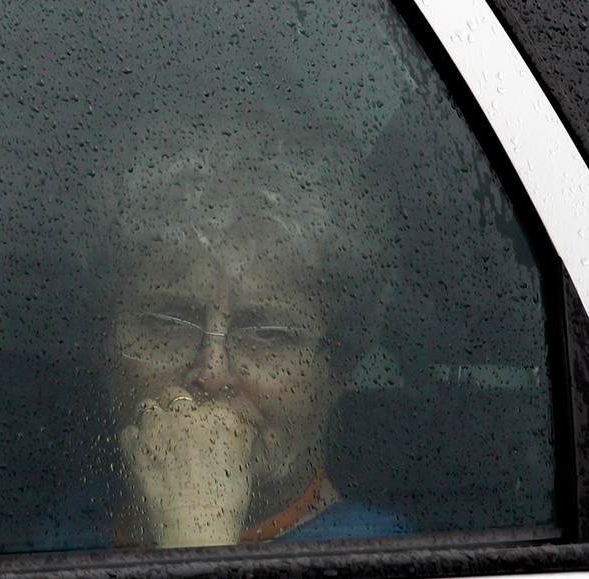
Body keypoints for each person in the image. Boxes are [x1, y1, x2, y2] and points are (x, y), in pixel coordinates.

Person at [86, 109, 408, 548]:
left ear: (338, 370)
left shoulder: (381, 552)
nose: (211, 373)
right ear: (107, 347)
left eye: (267, 334)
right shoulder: (55, 533)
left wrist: (194, 526)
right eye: (167, 323)